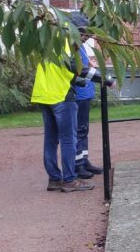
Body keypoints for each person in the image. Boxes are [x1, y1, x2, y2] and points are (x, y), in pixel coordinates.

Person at [32, 22, 111, 192]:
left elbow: (59, 70)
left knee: (51, 140)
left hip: (43, 95)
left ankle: (54, 179)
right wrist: (103, 77)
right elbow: (74, 67)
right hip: (61, 96)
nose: (84, 40)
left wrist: (80, 81)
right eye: (84, 36)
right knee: (68, 139)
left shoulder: (49, 41)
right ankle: (69, 180)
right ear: (76, 32)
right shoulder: (66, 42)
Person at [74, 33, 103, 179]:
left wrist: (91, 65)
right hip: (78, 95)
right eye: (85, 34)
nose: (87, 37)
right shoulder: (74, 47)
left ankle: (84, 161)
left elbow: (85, 66)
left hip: (85, 93)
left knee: (84, 130)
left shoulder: (82, 47)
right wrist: (104, 79)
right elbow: (81, 70)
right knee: (79, 130)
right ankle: (78, 165)